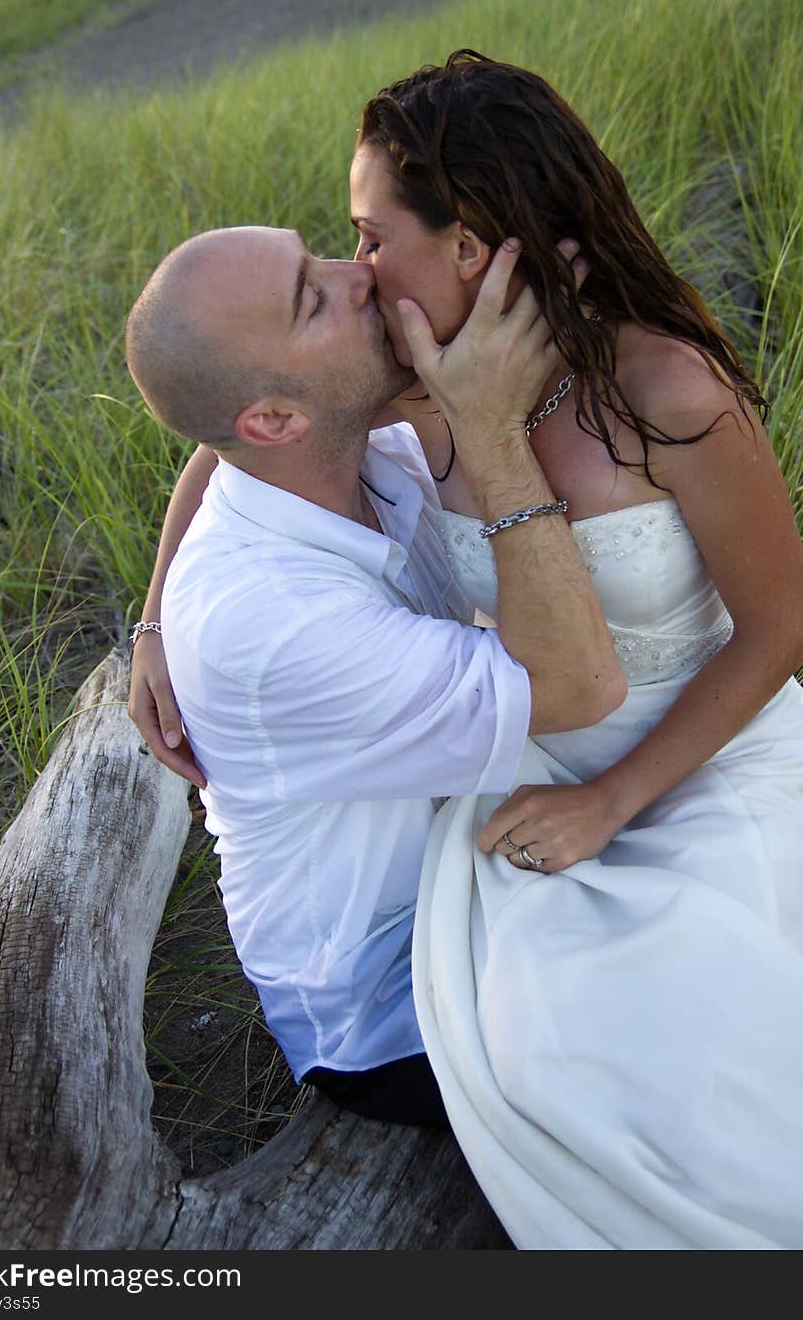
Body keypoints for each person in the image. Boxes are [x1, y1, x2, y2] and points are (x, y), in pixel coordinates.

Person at [130, 54, 803, 1248]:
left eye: (365, 236)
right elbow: (229, 426)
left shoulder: (665, 393)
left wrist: (611, 797)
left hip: (696, 759)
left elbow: (780, 627)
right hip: (522, 788)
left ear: (476, 247)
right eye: (345, 246)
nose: (360, 269)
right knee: (598, 1061)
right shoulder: (416, 388)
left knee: (744, 1038)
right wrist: (153, 619)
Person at [125, 225, 624, 1130]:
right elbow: (579, 686)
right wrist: (493, 434)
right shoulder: (271, 624)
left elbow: (221, 429)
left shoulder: (349, 443)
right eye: (314, 297)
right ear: (276, 422)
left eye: (322, 252)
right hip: (398, 1006)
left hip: (488, 855)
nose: (360, 275)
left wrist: (151, 615)